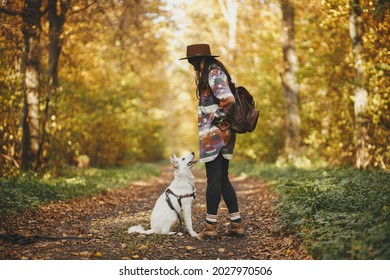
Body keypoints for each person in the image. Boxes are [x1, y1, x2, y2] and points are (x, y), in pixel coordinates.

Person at [180, 43, 244, 240]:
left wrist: (215, 119)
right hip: (222, 133)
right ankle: (236, 224)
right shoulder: (214, 72)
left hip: (215, 135)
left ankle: (210, 227)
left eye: (192, 61)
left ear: (200, 60)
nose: (192, 66)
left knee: (214, 179)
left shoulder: (213, 72)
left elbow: (228, 99)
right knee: (222, 178)